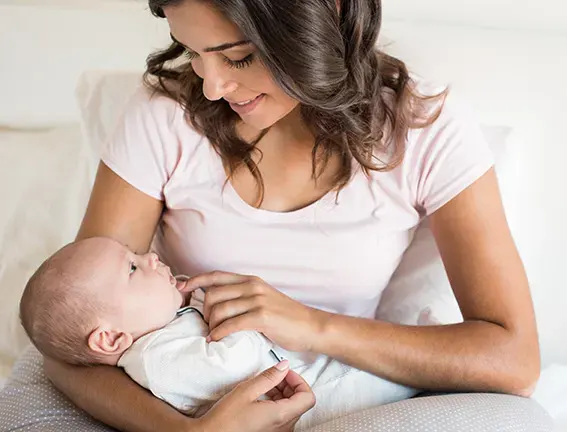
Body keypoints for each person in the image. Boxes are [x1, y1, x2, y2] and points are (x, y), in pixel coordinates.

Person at [42, 0, 541, 430]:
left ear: (324, 17)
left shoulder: (426, 131)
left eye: (238, 58)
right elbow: (72, 341)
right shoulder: (166, 115)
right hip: (184, 398)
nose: (212, 87)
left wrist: (309, 325)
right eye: (193, 53)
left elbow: (514, 360)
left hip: (345, 392)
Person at [21, 237, 415, 430]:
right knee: (390, 382)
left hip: (310, 374)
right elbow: (233, 363)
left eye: (136, 254)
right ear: (110, 339)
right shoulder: (157, 360)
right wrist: (216, 313)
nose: (152, 257)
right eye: (133, 269)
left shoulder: (163, 333)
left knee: (396, 368)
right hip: (318, 397)